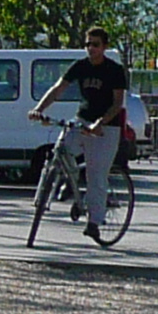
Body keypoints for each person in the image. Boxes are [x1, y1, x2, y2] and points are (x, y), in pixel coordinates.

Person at [26, 24, 130, 243]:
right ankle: (58, 189)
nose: (90, 49)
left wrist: (100, 123)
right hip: (82, 119)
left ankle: (94, 223)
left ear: (104, 46)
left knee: (96, 176)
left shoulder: (114, 71)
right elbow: (57, 89)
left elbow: (118, 104)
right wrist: (40, 110)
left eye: (95, 45)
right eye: (87, 44)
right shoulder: (80, 66)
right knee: (61, 149)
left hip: (106, 128)